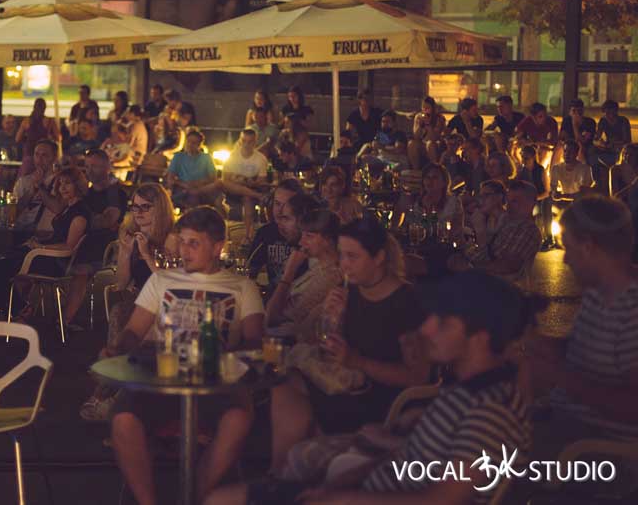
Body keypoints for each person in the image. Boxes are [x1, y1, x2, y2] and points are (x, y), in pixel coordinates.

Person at [208, 271, 532, 505]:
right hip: (365, 490)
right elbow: (411, 458)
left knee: (223, 500)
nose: (426, 328)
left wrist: (345, 498)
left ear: (481, 337)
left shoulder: (492, 411)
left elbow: (441, 499)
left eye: (444, 322)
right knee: (223, 498)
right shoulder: (463, 390)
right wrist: (347, 481)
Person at [106, 206, 265, 505]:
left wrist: (226, 356)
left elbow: (255, 339)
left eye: (194, 243)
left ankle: (197, 497)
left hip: (216, 384)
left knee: (239, 417)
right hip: (162, 380)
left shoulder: (242, 287)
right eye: (182, 242)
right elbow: (134, 331)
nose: (184, 251)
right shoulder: (161, 281)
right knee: (123, 419)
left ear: (217, 247)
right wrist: (118, 347)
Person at [269, 217, 425, 472]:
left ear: (379, 257)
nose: (344, 264)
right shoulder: (351, 292)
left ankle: (293, 472)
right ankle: (280, 472)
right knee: (283, 383)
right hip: (346, 385)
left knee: (295, 402)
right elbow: (327, 345)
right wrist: (332, 319)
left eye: (353, 256)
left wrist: (358, 361)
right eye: (341, 255)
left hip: (381, 403)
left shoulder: (407, 303)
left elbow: (417, 377)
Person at [527, 196, 638, 454]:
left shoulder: (632, 310)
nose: (565, 260)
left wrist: (557, 375)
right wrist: (542, 344)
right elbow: (591, 351)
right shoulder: (598, 292)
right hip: (568, 425)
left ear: (588, 247)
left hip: (599, 448)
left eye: (568, 248)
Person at [80, 183, 180, 422]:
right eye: (135, 207)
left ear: (160, 208)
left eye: (146, 207)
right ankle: (115, 396)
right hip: (138, 300)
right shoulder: (132, 235)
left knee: (123, 318)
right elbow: (122, 283)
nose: (139, 213)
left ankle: (106, 394)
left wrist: (146, 254)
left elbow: (170, 284)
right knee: (120, 312)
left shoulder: (172, 238)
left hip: (166, 304)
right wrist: (125, 253)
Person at [0, 167, 90, 317]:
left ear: (77, 185)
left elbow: (69, 247)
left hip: (53, 263)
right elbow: (60, 237)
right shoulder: (68, 208)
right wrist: (39, 242)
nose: (62, 188)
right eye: (60, 183)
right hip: (44, 256)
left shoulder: (79, 214)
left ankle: (18, 310)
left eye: (67, 183)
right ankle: (14, 309)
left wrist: (40, 247)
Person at [61, 149, 127, 327]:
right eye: (87, 166)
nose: (89, 170)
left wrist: (86, 219)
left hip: (102, 245)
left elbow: (107, 222)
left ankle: (64, 321)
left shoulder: (115, 193)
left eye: (95, 166)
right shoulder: (86, 193)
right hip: (78, 239)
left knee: (80, 267)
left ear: (107, 168)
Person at [264, 209, 343, 332]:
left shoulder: (330, 277)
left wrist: (289, 272)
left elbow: (272, 318)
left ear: (328, 240)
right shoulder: (319, 267)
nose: (301, 242)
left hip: (287, 338)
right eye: (302, 235)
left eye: (309, 236)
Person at [449, 180, 541, 282]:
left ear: (531, 203)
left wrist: (470, 267)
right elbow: (488, 254)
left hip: (501, 286)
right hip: (485, 281)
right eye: (509, 200)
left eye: (515, 201)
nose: (509, 206)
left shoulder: (527, 229)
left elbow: (508, 266)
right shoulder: (507, 224)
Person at [248, 179, 306, 292]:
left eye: (286, 205)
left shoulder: (308, 236)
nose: (279, 211)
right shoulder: (265, 233)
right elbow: (250, 272)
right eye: (277, 204)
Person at [222, 128, 270, 241]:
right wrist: (243, 180)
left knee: (248, 198)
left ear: (255, 142)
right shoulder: (232, 156)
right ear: (240, 141)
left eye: (250, 142)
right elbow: (225, 179)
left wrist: (242, 180)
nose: (246, 144)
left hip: (250, 189)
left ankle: (248, 236)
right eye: (244, 141)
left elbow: (261, 182)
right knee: (224, 184)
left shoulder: (261, 159)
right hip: (234, 190)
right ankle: (259, 196)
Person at [395, 163, 463, 232]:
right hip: (416, 237)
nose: (430, 181)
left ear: (444, 182)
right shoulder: (415, 199)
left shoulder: (453, 202)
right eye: (427, 177)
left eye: (435, 177)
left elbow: (458, 229)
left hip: (443, 237)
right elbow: (399, 222)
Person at [166, 128, 222, 210]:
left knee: (216, 187)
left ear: (199, 145)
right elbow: (170, 177)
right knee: (191, 196)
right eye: (188, 142)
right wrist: (184, 184)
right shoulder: (178, 157)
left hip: (202, 188)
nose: (190, 145)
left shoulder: (206, 158)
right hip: (182, 187)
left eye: (193, 143)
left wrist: (197, 183)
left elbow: (212, 178)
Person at [11, 139, 59, 235]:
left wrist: (40, 186)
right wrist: (31, 191)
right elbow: (13, 213)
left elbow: (57, 208)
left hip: (45, 232)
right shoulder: (23, 182)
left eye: (44, 155)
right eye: (36, 154)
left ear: (54, 158)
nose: (39, 159)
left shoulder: (60, 182)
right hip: (20, 230)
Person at [515, 144, 551, 246]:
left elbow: (547, 192)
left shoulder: (540, 170)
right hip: (527, 200)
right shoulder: (522, 171)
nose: (523, 160)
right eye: (522, 157)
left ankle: (548, 237)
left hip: (540, 198)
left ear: (533, 157)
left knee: (545, 205)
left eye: (526, 158)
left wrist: (535, 198)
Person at [16, 97, 61, 173]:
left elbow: (17, 138)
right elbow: (59, 138)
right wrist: (50, 137)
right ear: (44, 108)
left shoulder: (26, 121)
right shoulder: (49, 121)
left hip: (29, 153)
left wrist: (27, 138)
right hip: (45, 154)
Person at [593, 98, 632, 176]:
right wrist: (600, 143)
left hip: (621, 147)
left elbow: (627, 140)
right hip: (608, 147)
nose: (608, 115)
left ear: (615, 111)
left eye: (610, 112)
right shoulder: (603, 121)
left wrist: (614, 144)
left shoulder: (623, 121)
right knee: (593, 152)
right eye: (606, 113)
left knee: (621, 154)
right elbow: (596, 137)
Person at [515, 102, 558, 167]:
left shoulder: (551, 122)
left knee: (544, 152)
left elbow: (553, 143)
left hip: (545, 148)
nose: (544, 118)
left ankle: (541, 170)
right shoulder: (527, 121)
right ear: (533, 117)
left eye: (545, 115)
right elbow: (517, 135)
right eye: (540, 116)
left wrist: (536, 143)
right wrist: (522, 140)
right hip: (531, 147)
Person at [408, 96, 446, 169]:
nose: (425, 110)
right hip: (422, 143)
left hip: (435, 144)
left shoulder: (439, 118)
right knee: (412, 144)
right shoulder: (419, 117)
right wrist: (420, 126)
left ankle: (434, 169)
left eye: (427, 108)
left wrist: (428, 124)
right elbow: (416, 136)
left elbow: (434, 137)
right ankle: (416, 169)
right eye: (423, 107)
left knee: (430, 144)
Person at [557, 98, 596, 162]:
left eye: (579, 111)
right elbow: (562, 137)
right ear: (570, 112)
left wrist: (575, 125)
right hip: (569, 144)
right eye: (574, 111)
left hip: (584, 146)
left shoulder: (590, 122)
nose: (577, 113)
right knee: (559, 147)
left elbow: (582, 140)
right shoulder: (567, 121)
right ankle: (554, 168)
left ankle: (583, 167)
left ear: (583, 111)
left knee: (580, 147)